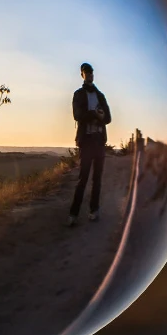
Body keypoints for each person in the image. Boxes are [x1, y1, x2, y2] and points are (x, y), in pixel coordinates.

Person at [68, 62, 112, 226]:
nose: (90, 74)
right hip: (86, 141)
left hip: (99, 141)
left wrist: (100, 116)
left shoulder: (100, 95)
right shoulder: (78, 94)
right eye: (86, 72)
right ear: (82, 75)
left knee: (97, 179)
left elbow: (108, 118)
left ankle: (94, 210)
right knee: (83, 179)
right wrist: (94, 114)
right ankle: (73, 214)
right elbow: (77, 115)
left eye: (91, 72)